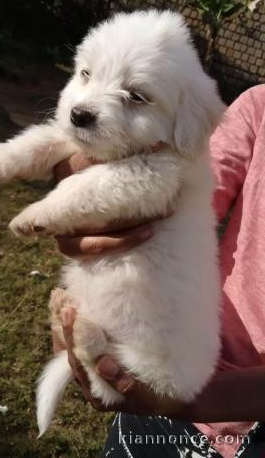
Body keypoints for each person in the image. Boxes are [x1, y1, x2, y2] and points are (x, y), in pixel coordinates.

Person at [50, 84, 265, 458]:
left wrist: (190, 399)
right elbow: (182, 196)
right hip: (170, 380)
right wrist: (103, 210)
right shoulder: (259, 106)